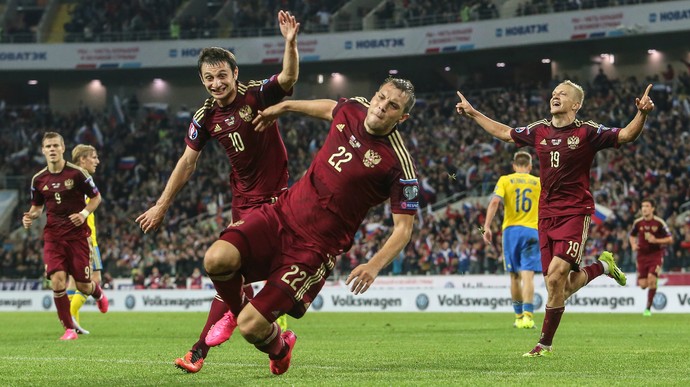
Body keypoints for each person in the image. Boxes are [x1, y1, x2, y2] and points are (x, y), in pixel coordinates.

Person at [202, 77, 419, 375]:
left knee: (251, 328)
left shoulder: (399, 164)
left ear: (402, 117)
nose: (381, 107)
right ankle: (237, 312)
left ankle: (280, 347)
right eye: (381, 97)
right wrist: (286, 106)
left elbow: (404, 229)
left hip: (313, 249)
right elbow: (331, 108)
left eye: (392, 105)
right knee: (216, 259)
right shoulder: (355, 108)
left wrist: (374, 265)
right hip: (281, 214)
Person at [134, 10, 300, 373]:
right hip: (241, 203)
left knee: (226, 268)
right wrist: (161, 205)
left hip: (274, 201)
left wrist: (290, 44)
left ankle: (202, 347)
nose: (216, 83)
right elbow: (187, 162)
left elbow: (288, 77)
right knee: (228, 273)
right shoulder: (204, 117)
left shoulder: (257, 95)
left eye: (221, 75)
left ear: (234, 73)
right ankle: (275, 343)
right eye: (209, 77)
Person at [456, 81, 655, 357]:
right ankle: (602, 267)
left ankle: (543, 345)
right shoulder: (539, 130)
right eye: (553, 93)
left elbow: (626, 135)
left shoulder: (588, 132)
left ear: (576, 104)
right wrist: (473, 112)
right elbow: (504, 133)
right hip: (545, 215)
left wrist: (642, 113)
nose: (555, 96)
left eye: (562, 94)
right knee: (556, 284)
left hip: (575, 212)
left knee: (557, 275)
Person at [22, 132, 109, 341]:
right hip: (53, 236)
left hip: (77, 236)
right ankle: (69, 329)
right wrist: (30, 216)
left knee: (83, 285)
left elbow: (96, 198)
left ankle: (97, 293)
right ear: (43, 150)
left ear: (62, 148)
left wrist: (83, 213)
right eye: (48, 146)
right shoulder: (38, 179)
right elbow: (37, 207)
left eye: (55, 146)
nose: (52, 149)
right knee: (58, 281)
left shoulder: (77, 174)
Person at [483, 151, 541, 329]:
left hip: (511, 232)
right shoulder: (539, 182)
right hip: (532, 230)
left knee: (514, 276)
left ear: (514, 166)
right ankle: (529, 317)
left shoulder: (505, 180)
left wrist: (487, 226)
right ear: (530, 166)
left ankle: (518, 317)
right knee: (528, 275)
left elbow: (494, 203)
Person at [66, 144, 104, 335]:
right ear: (82, 159)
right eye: (94, 157)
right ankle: (70, 317)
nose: (97, 161)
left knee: (74, 282)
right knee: (94, 280)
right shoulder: (82, 179)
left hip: (80, 237)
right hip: (86, 239)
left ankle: (73, 324)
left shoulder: (72, 179)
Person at [629, 198, 673, 316]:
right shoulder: (637, 223)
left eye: (647, 206)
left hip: (655, 255)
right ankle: (652, 281)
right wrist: (633, 244)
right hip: (641, 256)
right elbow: (632, 235)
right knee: (643, 285)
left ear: (653, 208)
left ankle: (647, 309)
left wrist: (656, 240)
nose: (644, 208)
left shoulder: (659, 223)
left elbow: (670, 239)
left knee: (652, 280)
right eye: (643, 206)